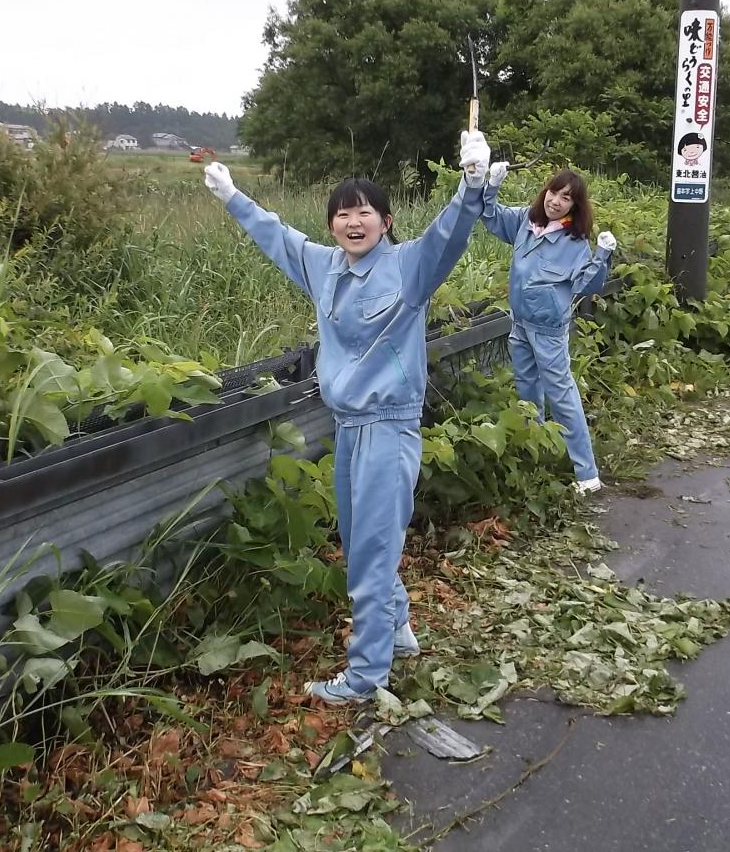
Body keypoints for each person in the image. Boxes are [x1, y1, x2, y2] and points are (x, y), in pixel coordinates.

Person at [202, 131, 492, 704]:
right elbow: (278, 239)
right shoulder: (323, 266)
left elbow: (446, 237)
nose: (352, 222)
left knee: (374, 551)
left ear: (385, 221)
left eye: (364, 212)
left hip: (389, 427)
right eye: (341, 214)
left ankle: (365, 676)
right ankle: (399, 632)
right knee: (362, 539)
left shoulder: (408, 267)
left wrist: (472, 185)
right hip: (348, 429)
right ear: (331, 223)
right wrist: (234, 197)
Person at [481, 162, 616, 493]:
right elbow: (490, 216)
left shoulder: (574, 242)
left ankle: (587, 474)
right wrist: (491, 185)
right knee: (527, 389)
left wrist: (602, 255)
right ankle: (536, 453)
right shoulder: (525, 221)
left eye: (566, 198)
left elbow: (587, 284)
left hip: (549, 330)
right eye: (554, 192)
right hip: (520, 323)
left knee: (561, 394)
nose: (556, 201)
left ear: (575, 206)